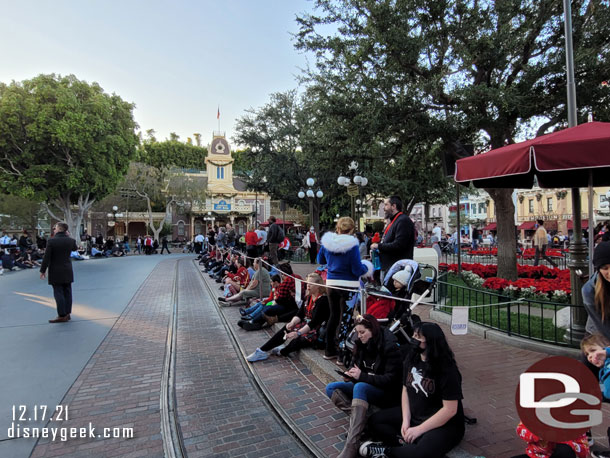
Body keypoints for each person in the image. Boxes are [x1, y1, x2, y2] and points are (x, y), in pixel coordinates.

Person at [360, 322, 465, 458]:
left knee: (421, 453)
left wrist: (419, 430)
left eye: (418, 337)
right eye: (413, 335)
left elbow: (450, 410)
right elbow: (405, 389)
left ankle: (386, 452)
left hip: (443, 424)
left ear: (430, 341)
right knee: (376, 421)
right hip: (416, 414)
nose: (413, 339)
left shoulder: (447, 369)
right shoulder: (412, 358)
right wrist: (406, 420)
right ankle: (405, 447)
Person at [326, 314, 403, 458]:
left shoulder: (389, 346)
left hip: (387, 392)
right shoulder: (360, 344)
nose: (359, 336)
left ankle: (351, 444)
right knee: (331, 388)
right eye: (357, 332)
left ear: (372, 330)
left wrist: (361, 376)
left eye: (362, 332)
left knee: (360, 387)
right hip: (365, 384)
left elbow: (390, 380)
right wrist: (350, 374)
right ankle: (363, 423)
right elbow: (356, 365)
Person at [317, 216, 369, 360]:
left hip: (331, 283)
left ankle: (329, 350)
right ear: (352, 230)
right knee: (345, 319)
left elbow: (320, 260)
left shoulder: (327, 243)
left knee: (333, 316)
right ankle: (342, 355)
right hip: (348, 285)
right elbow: (357, 269)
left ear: (337, 228)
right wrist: (366, 267)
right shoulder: (352, 246)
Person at [246, 273, 330, 361]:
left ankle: (282, 351)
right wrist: (292, 323)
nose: (308, 286)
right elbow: (300, 314)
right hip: (307, 325)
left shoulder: (323, 301)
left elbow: (314, 322)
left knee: (297, 341)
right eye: (307, 283)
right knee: (286, 327)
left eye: (311, 284)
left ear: (318, 286)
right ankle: (262, 350)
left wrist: (297, 333)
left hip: (316, 330)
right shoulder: (308, 297)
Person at [40, 222, 78, 323]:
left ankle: (62, 314)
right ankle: (68, 313)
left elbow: (46, 257)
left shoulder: (52, 241)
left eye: (55, 228)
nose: (54, 229)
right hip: (67, 268)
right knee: (68, 291)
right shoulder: (71, 240)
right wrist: (68, 236)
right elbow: (75, 248)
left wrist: (43, 270)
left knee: (58, 292)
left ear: (59, 229)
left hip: (55, 270)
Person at [370, 196, 415, 275]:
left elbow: (399, 245)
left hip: (397, 271)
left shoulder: (403, 221)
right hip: (389, 268)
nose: (384, 208)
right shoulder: (394, 222)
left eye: (386, 205)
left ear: (394, 206)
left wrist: (378, 246)